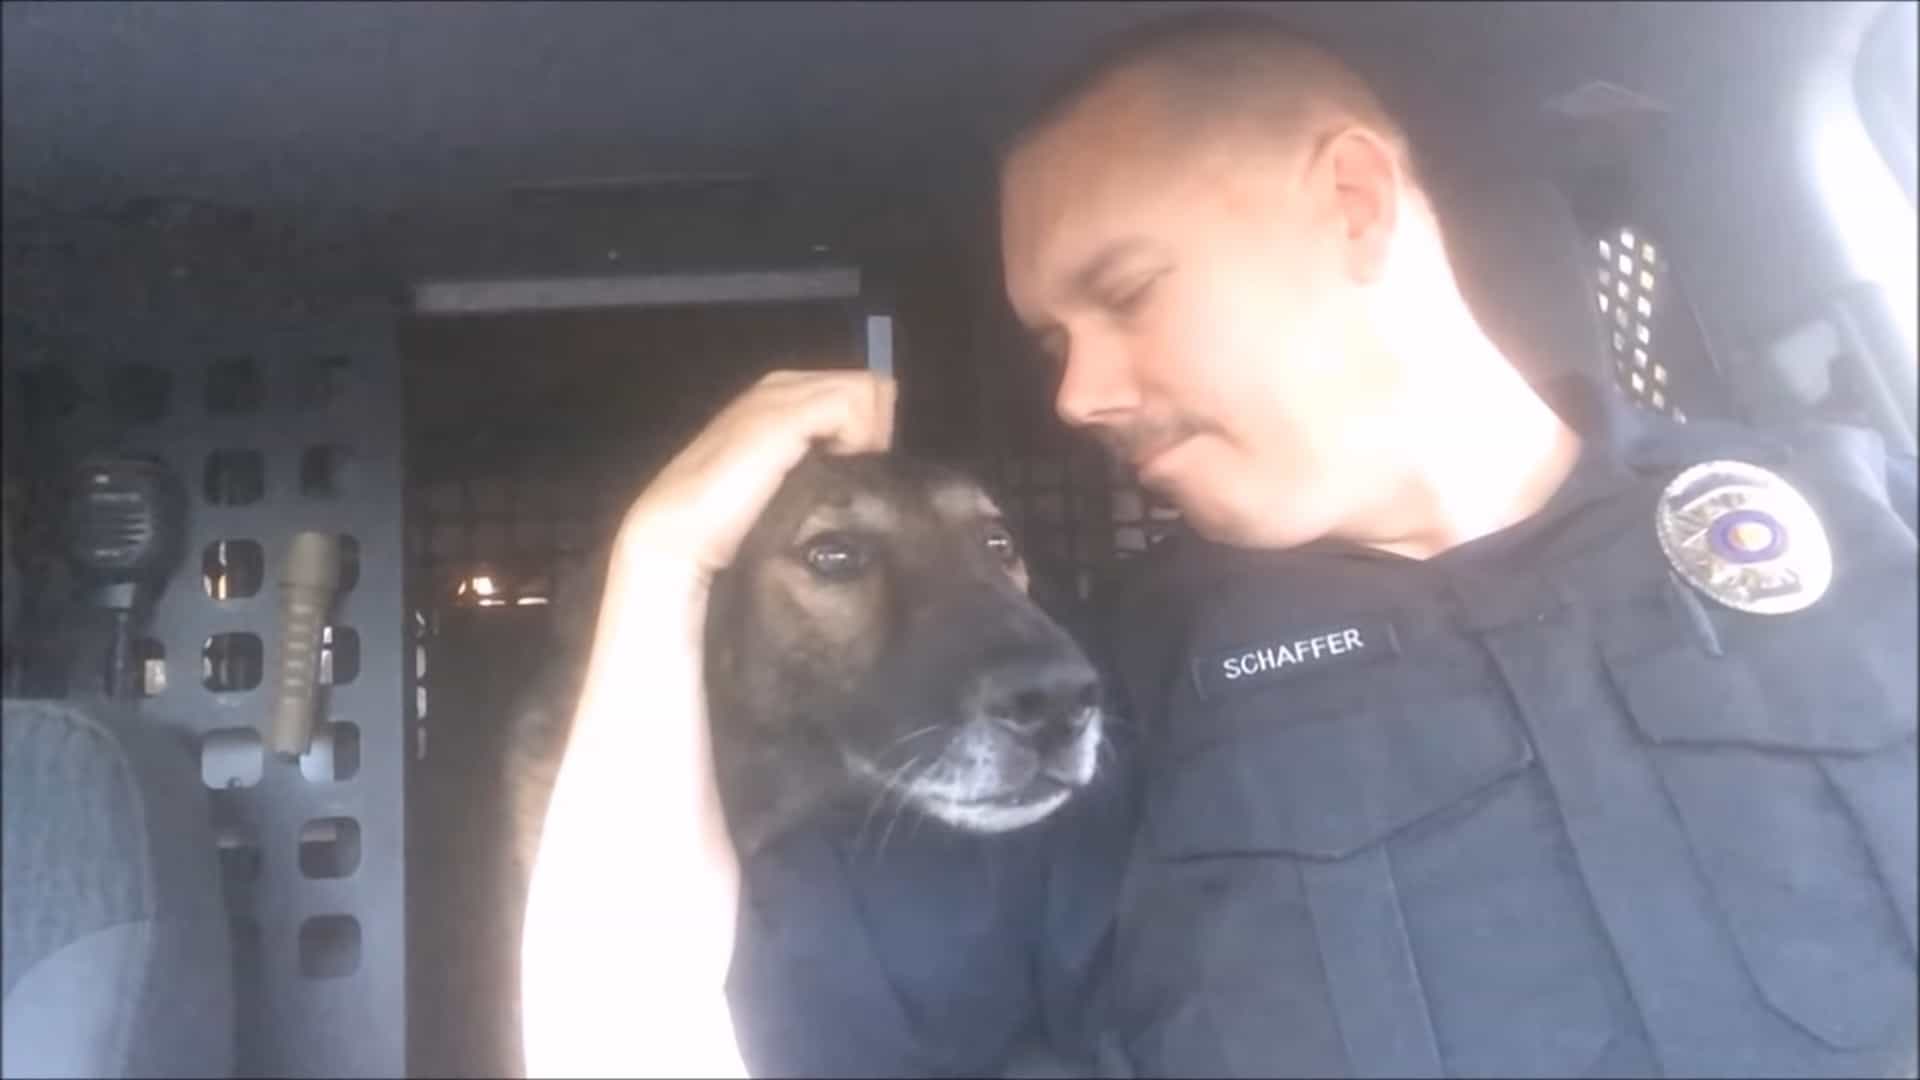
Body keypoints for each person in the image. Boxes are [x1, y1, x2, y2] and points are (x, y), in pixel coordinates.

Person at [522, 10, 1919, 1078]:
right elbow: (633, 1036)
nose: (1076, 394)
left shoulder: (1867, 511)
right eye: (1055, 343)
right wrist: (666, 552)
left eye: (1123, 294)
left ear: (1355, 206)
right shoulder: (1114, 691)